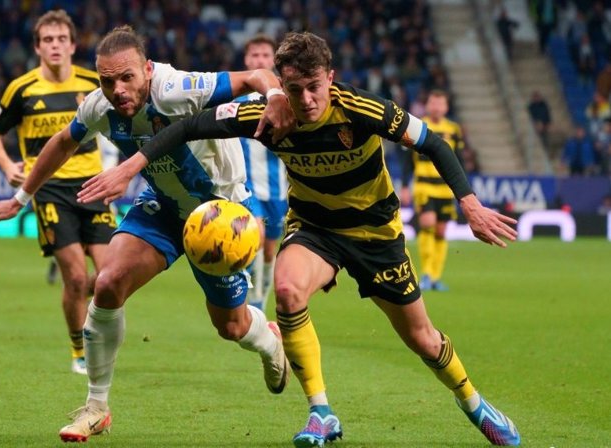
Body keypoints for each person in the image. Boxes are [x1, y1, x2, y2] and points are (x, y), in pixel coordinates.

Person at [79, 32, 522, 447]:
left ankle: (473, 402)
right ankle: (320, 411)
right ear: (282, 85)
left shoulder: (363, 109)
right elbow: (186, 128)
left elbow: (434, 144)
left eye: (314, 87)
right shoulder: (269, 114)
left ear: (329, 77)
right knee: (287, 292)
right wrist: (131, 166)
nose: (305, 100)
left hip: (375, 234)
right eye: (293, 89)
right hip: (315, 229)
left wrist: (470, 204)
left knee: (423, 339)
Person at [0, 25, 296, 442]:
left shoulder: (178, 87)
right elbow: (62, 142)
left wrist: (274, 96)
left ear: (147, 70)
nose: (118, 89)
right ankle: (96, 407)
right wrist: (20, 199)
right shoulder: (97, 105)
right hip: (163, 206)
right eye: (107, 81)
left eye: (127, 77)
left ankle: (269, 342)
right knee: (107, 284)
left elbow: (254, 77)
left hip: (218, 213)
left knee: (232, 327)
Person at [0, 10, 116, 375]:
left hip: (94, 186)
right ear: (37, 47)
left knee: (110, 277)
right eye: (47, 40)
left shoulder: (94, 83)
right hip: (50, 189)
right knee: (73, 275)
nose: (55, 46)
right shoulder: (21, 89)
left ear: (73, 45)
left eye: (61, 39)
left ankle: (88, 320)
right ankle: (79, 350)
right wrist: (8, 166)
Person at [236, 34, 289, 311]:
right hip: (246, 186)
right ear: (246, 60)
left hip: (277, 189)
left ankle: (259, 302)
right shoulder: (237, 97)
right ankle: (249, 301)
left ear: (274, 60)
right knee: (254, 237)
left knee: (270, 251)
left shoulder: (286, 98)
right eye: (255, 55)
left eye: (265, 55)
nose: (260, 60)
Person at [400, 89, 463, 292]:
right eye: (433, 103)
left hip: (445, 189)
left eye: (440, 104)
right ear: (427, 105)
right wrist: (404, 186)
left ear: (446, 107)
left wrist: (462, 189)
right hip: (424, 186)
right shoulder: (417, 126)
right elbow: (407, 160)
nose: (436, 107)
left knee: (441, 232)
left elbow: (458, 160)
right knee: (427, 224)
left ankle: (436, 276)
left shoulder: (454, 129)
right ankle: (426, 273)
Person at [527, 90, 552, 156]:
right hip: (535, 126)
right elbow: (530, 117)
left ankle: (545, 153)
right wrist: (536, 124)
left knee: (545, 139)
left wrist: (547, 124)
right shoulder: (531, 107)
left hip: (544, 125)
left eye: (538, 97)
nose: (537, 98)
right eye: (535, 97)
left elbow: (547, 115)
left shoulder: (544, 105)